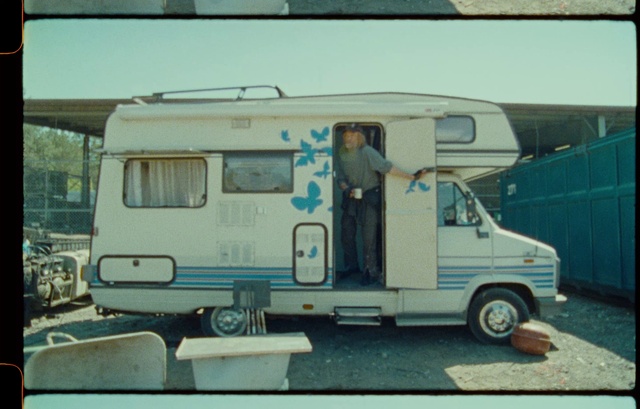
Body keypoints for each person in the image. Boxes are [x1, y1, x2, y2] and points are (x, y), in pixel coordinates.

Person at [335, 123, 429, 286]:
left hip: (369, 198)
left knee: (369, 238)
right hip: (351, 198)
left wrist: (411, 177)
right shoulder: (342, 154)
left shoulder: (367, 152)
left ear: (359, 137)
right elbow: (340, 178)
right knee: (346, 234)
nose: (348, 138)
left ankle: (370, 271)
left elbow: (387, 168)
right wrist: (347, 188)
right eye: (346, 135)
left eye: (352, 135)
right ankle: (352, 267)